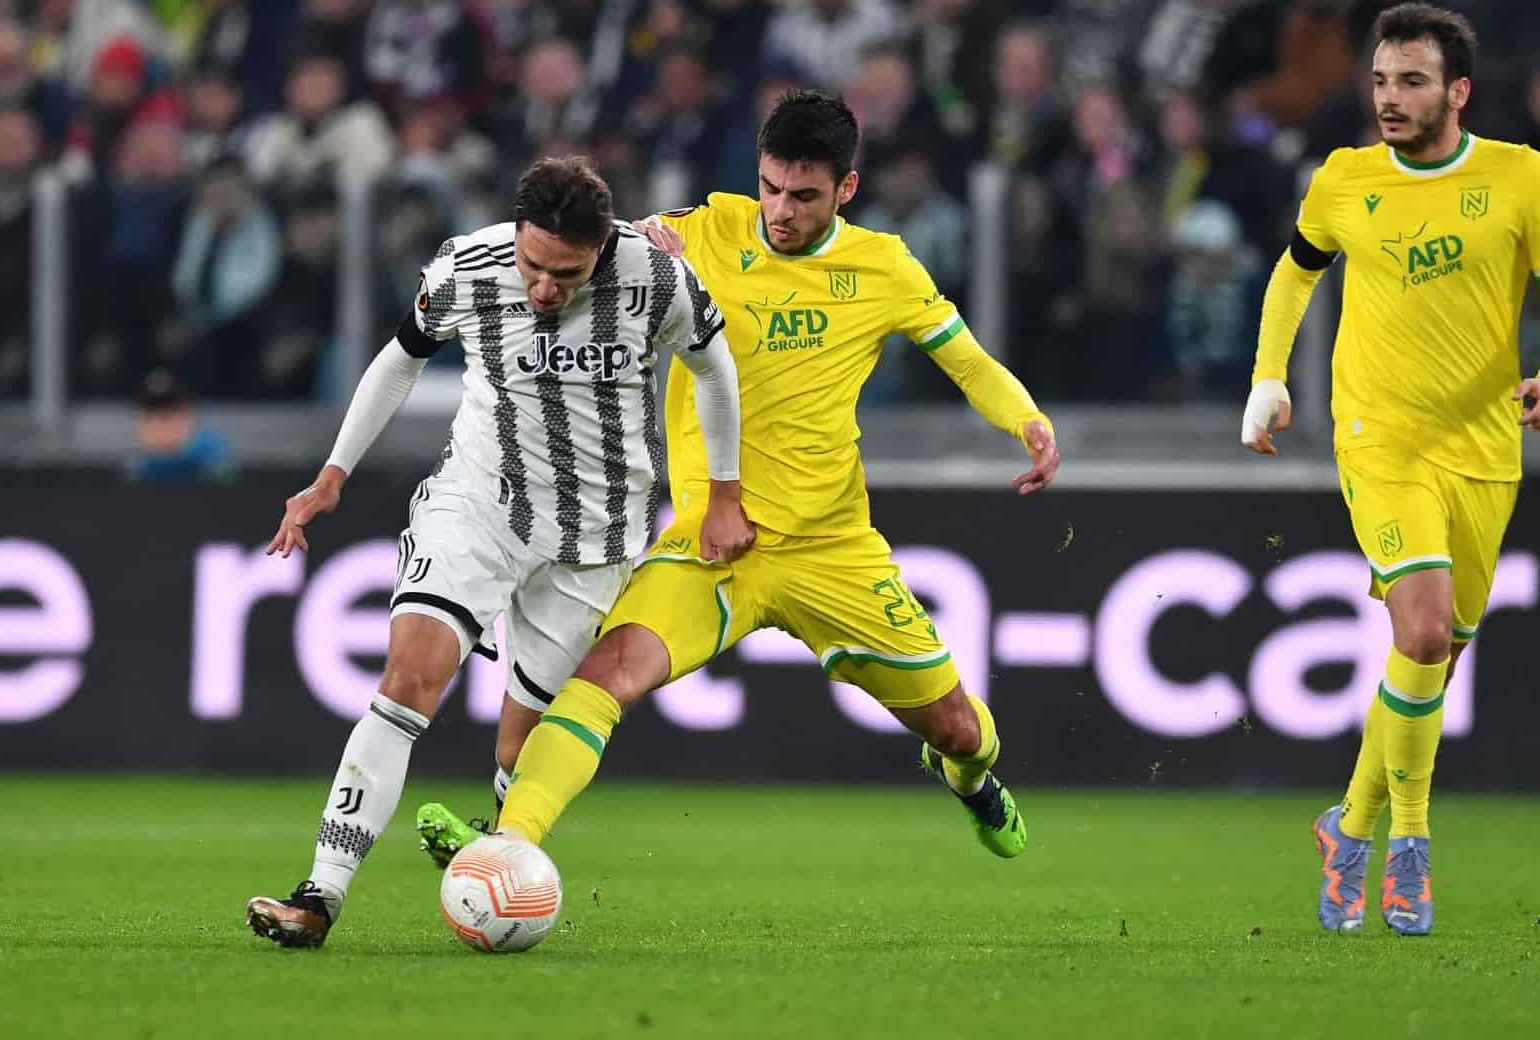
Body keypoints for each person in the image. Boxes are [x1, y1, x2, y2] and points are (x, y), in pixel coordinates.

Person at [418, 90, 1059, 868]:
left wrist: (1026, 421)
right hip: (711, 540)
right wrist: (640, 245)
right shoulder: (703, 231)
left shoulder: (884, 267)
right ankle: (505, 849)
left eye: (805, 195)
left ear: (846, 190)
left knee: (959, 729)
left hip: (832, 549)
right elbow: (591, 251)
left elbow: (967, 360)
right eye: (771, 187)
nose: (781, 210)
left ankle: (968, 780)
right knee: (605, 674)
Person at [244, 156, 749, 949]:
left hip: (597, 534)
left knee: (523, 749)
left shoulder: (655, 276)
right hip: (481, 501)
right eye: (534, 266)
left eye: (568, 273)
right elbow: (400, 358)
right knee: (410, 678)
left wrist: (724, 493)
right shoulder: (465, 266)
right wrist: (331, 477)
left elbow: (715, 367)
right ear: (516, 237)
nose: (546, 287)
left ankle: (494, 860)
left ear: (600, 251)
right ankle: (319, 894)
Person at [1239, 3, 1540, 937]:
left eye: (1412, 81)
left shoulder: (1518, 177)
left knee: (1432, 654)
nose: (1390, 98)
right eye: (1381, 80)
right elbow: (1294, 272)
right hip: (1378, 438)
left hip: (1484, 449)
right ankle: (1411, 852)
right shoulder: (1345, 180)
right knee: (1423, 633)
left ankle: (1346, 828)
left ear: (1457, 92)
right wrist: (1269, 378)